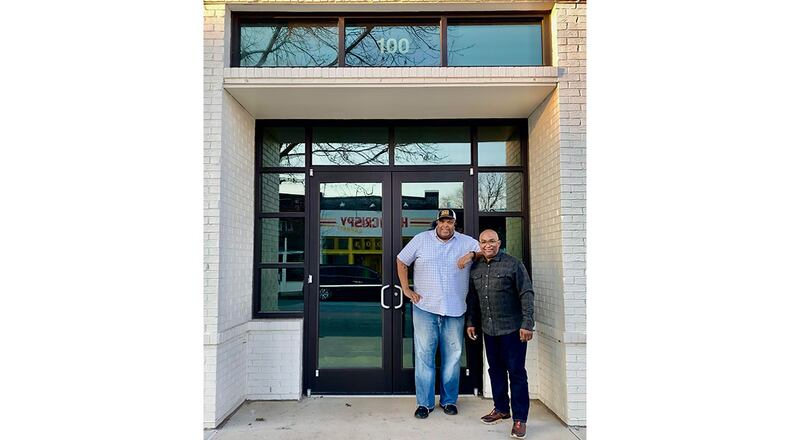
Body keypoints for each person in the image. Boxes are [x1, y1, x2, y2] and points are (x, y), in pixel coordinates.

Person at [397, 209, 481, 419]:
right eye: (442, 221)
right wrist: (406, 289)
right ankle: (424, 404)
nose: (446, 225)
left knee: (452, 358)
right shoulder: (420, 240)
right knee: (424, 356)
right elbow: (401, 260)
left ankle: (449, 401)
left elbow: (485, 251)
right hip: (425, 308)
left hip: (455, 309)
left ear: (455, 223)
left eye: (450, 221)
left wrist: (471, 254)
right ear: (437, 222)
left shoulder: (466, 242)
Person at [465, 229, 535, 439]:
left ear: (499, 242)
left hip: (513, 329)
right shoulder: (475, 268)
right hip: (489, 329)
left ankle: (520, 419)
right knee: (495, 370)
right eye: (484, 242)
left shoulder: (513, 264)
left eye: (492, 241)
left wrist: (527, 324)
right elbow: (473, 299)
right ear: (480, 245)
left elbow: (526, 293)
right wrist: (471, 322)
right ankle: (501, 409)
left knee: (516, 373)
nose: (488, 245)